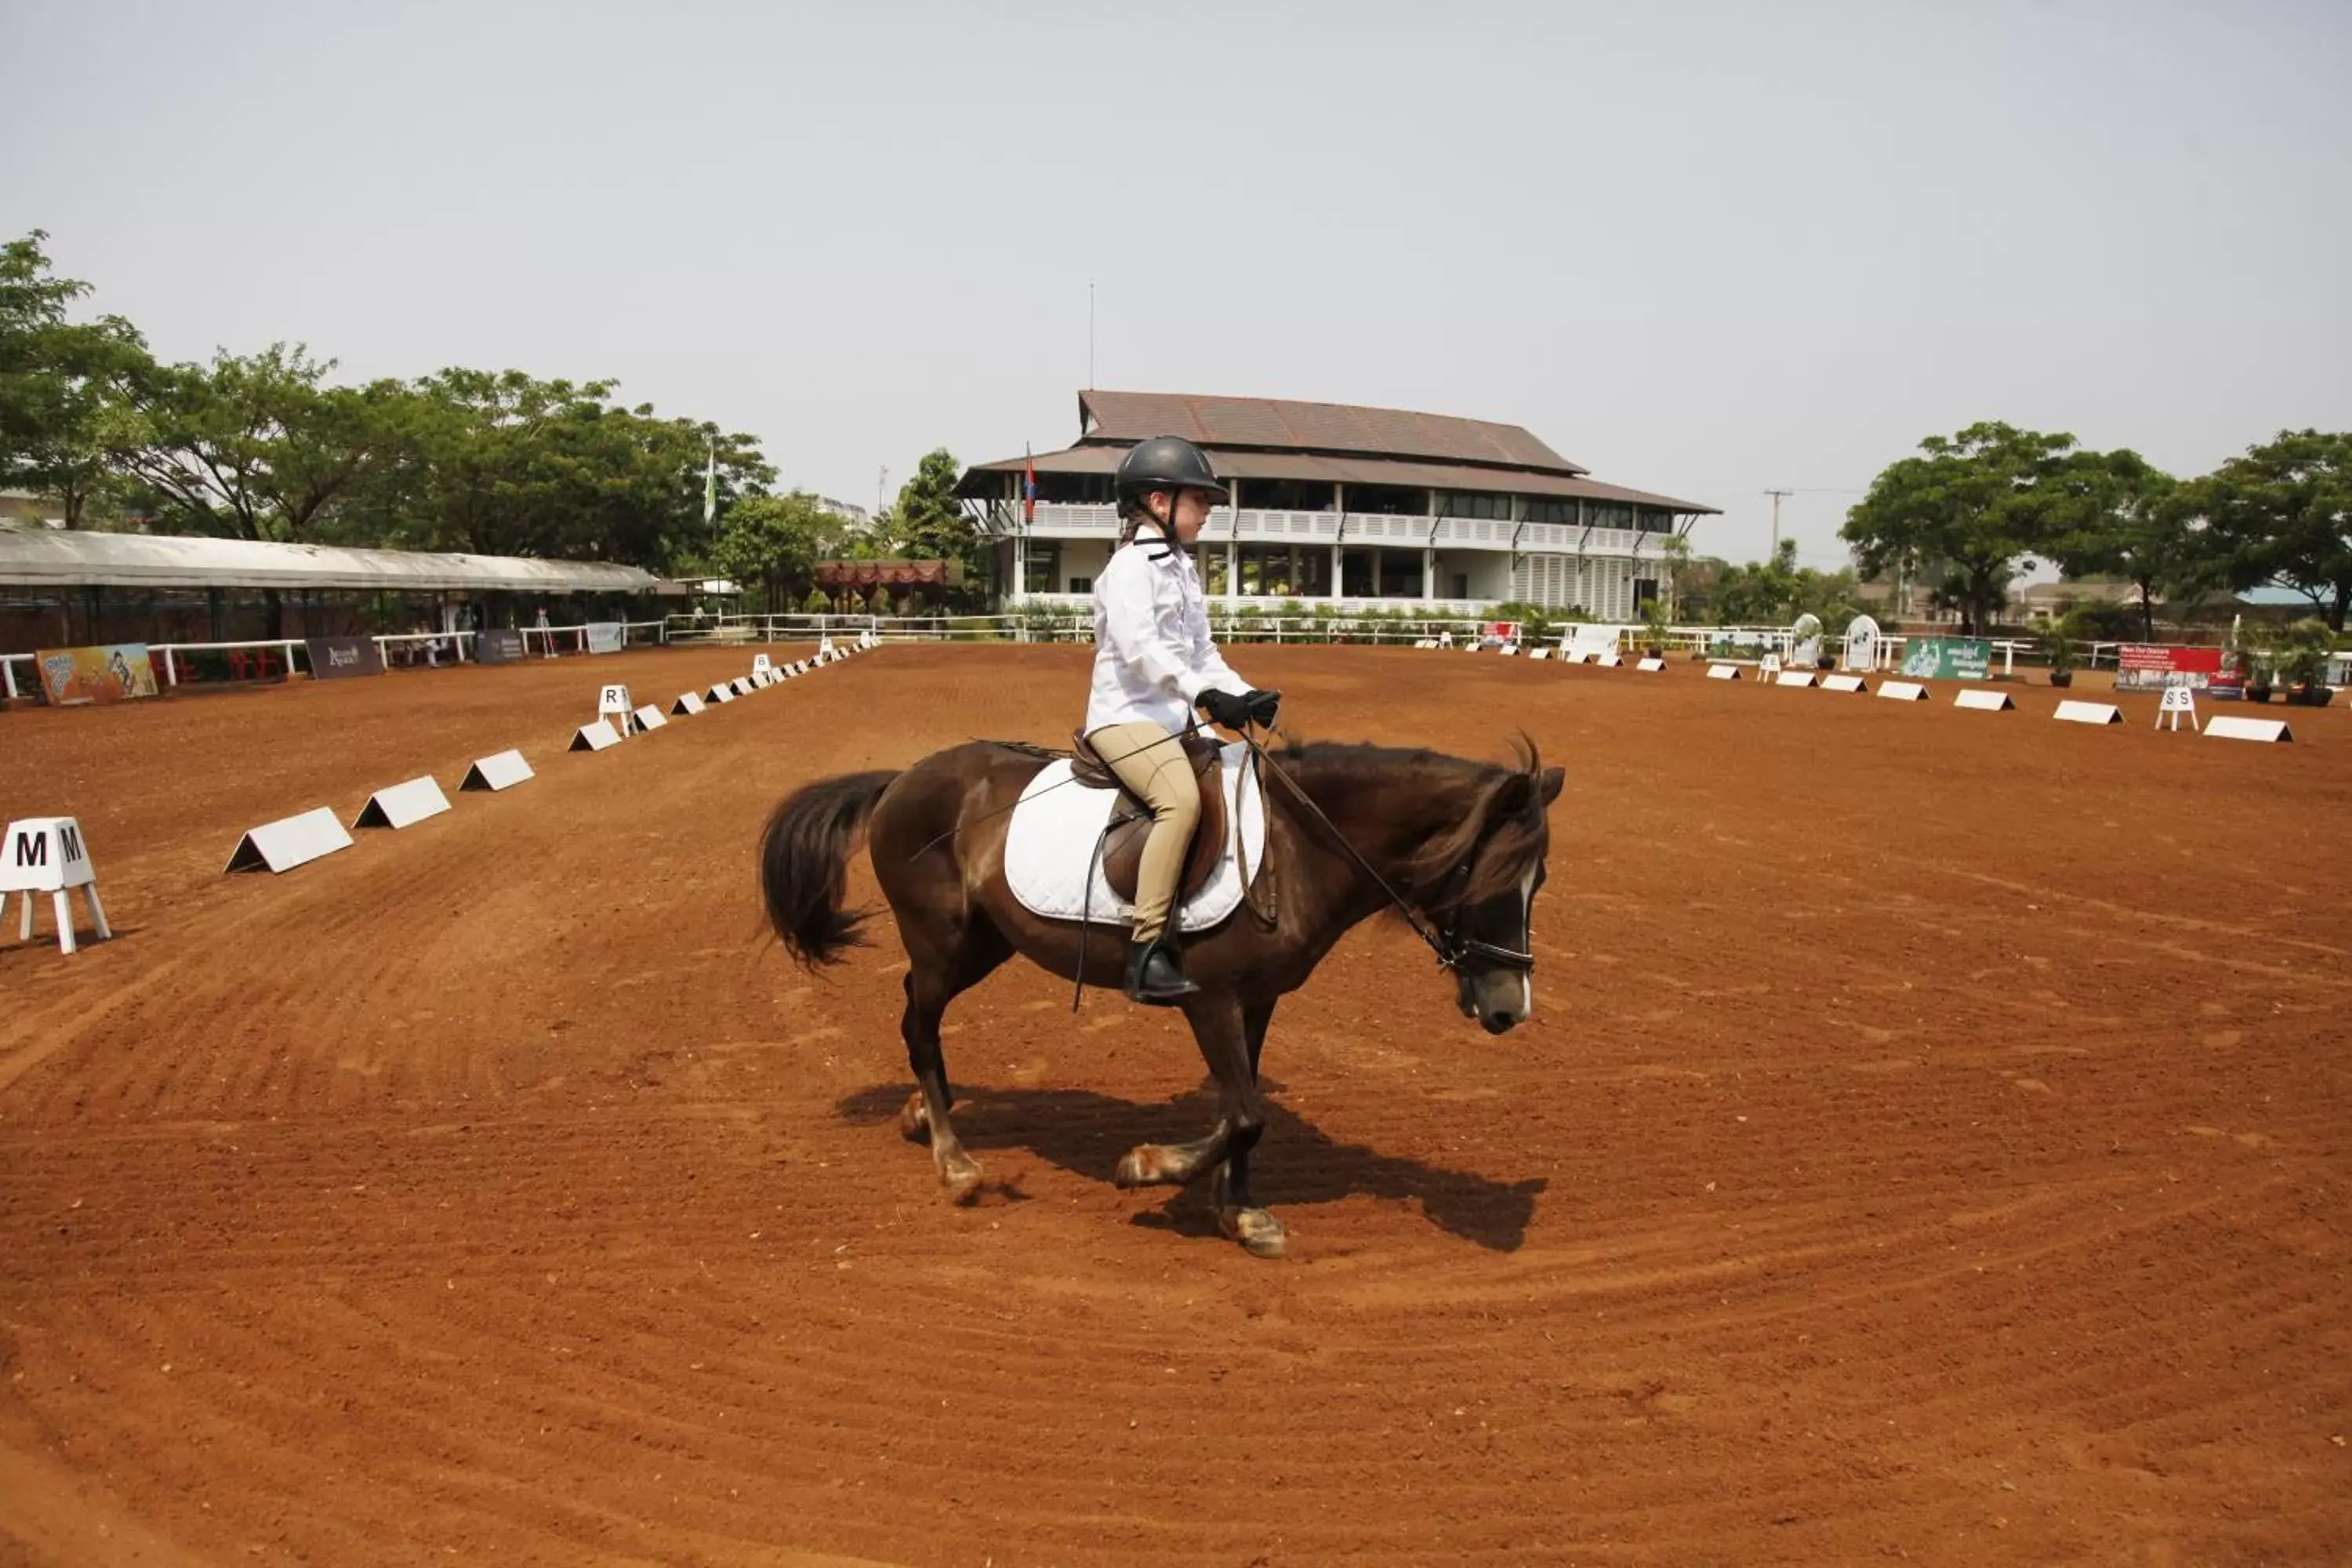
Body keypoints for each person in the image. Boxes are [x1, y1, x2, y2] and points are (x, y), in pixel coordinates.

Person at [1084, 436, 1281, 1004]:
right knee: (1181, 801)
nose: (1208, 512)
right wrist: (1205, 696)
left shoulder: (1181, 571)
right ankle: (1147, 949)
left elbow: (1201, 653)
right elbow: (1143, 650)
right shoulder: (1127, 569)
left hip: (1173, 723)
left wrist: (1245, 693)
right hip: (1124, 719)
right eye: (1200, 500)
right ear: (1158, 502)